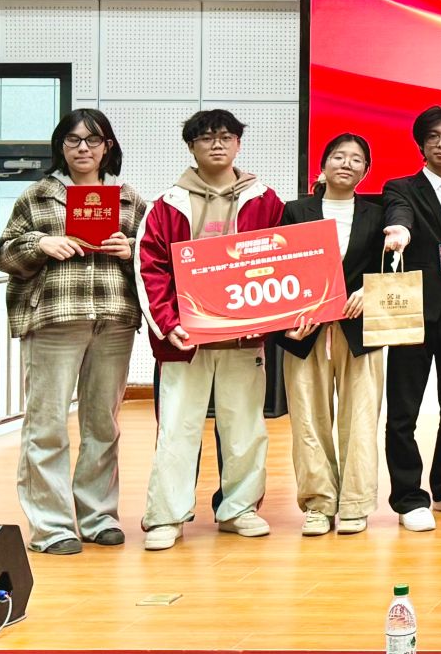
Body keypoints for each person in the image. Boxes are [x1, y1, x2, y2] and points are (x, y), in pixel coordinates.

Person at [135, 109, 285, 551]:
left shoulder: (265, 200)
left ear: (238, 143)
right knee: (177, 429)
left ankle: (239, 509)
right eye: (206, 138)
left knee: (245, 428)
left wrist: (273, 319)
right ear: (191, 146)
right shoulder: (166, 204)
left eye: (225, 136)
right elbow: (150, 269)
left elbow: (284, 260)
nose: (216, 144)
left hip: (243, 339)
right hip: (186, 341)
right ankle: (167, 516)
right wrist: (168, 325)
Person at [0, 109, 145, 554]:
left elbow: (156, 258)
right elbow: (5, 254)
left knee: (104, 423)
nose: (83, 148)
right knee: (46, 424)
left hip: (113, 319)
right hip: (55, 318)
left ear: (108, 147)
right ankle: (52, 526)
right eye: (73, 140)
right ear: (61, 146)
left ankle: (98, 516)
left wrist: (130, 249)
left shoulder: (128, 200)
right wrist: (40, 243)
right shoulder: (37, 196)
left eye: (93, 140)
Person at [277, 133, 409, 537]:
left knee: (361, 420)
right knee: (308, 421)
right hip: (305, 332)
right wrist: (290, 318)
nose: (346, 164)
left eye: (356, 159)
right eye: (338, 156)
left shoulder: (378, 213)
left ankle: (355, 504)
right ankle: (318, 505)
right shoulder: (295, 211)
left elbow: (392, 268)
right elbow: (278, 268)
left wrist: (369, 291)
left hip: (359, 331)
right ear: (323, 165)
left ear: (366, 170)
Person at [379, 106, 441, 531]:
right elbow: (398, 215)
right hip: (414, 309)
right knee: (404, 410)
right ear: (420, 143)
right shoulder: (401, 187)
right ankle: (407, 497)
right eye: (433, 136)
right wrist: (398, 232)